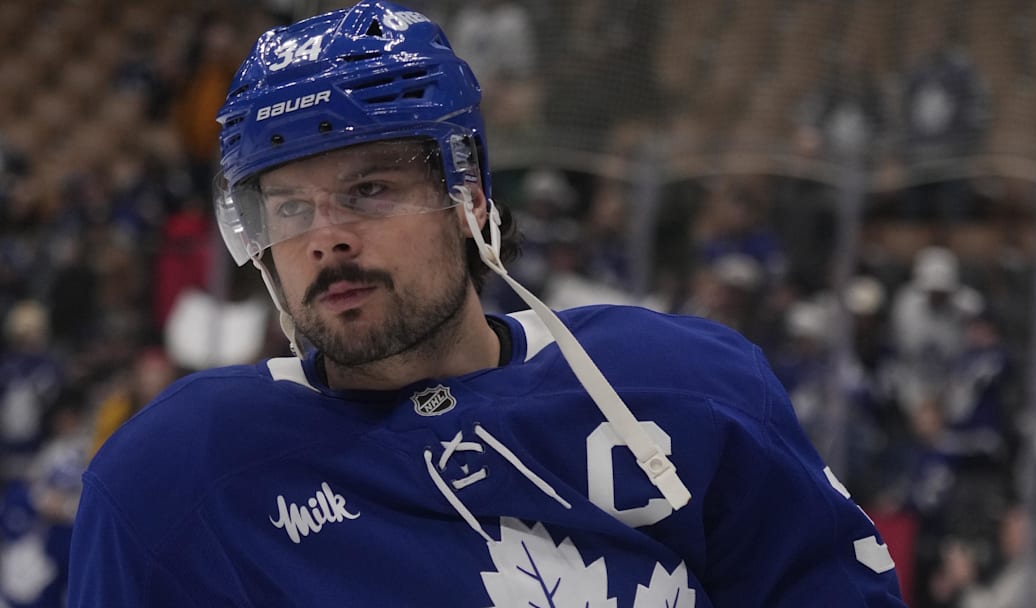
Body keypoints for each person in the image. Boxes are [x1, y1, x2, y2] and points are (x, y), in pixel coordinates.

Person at [67, 2, 906, 605]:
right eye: (288, 209)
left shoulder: (683, 386)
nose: (325, 237)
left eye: (368, 189)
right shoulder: (177, 475)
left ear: (468, 197)